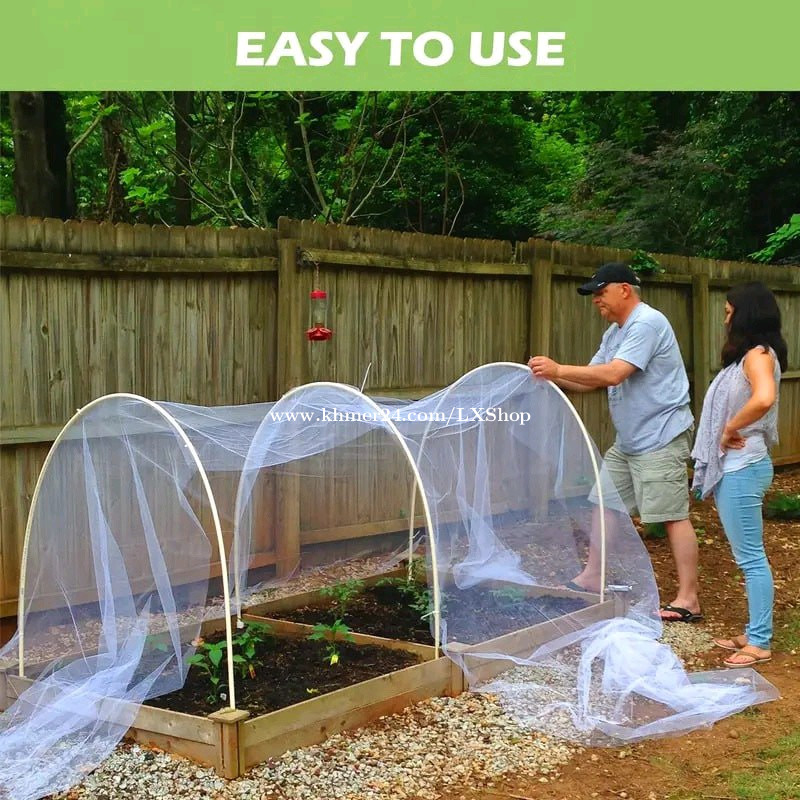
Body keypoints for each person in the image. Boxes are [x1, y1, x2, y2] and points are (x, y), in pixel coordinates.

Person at [529, 261, 700, 622]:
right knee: (603, 501)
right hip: (630, 440)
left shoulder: (647, 323)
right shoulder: (615, 333)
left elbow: (615, 373)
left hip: (660, 435)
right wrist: (551, 378)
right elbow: (592, 378)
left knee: (670, 515)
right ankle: (593, 575)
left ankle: (689, 599)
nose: (596, 300)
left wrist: (559, 369)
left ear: (624, 289)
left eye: (601, 292)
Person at [692, 282, 786, 668]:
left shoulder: (758, 355)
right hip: (741, 466)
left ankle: (760, 641)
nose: (725, 319)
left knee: (751, 558)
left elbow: (764, 398)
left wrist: (730, 427)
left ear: (746, 314)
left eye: (729, 312)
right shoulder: (749, 356)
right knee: (748, 555)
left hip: (743, 467)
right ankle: (754, 631)